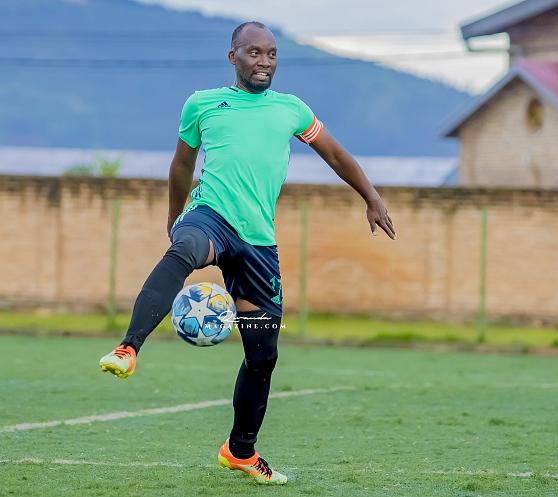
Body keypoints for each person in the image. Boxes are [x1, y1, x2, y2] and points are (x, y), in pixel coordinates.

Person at [99, 21, 396, 485]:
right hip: (210, 217)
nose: (264, 62)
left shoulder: (291, 109)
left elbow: (335, 155)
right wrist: (175, 219)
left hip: (257, 243)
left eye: (272, 54)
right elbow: (181, 165)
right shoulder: (202, 104)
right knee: (184, 251)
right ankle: (128, 347)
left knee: (262, 354)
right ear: (233, 56)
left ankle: (240, 451)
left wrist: (371, 197)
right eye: (254, 52)